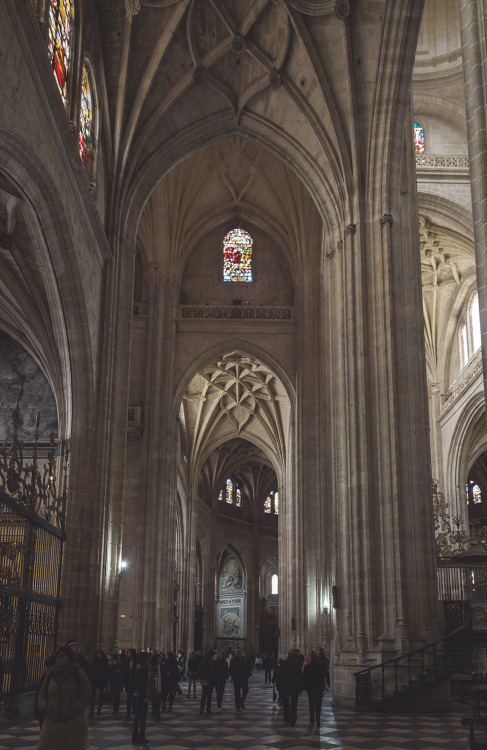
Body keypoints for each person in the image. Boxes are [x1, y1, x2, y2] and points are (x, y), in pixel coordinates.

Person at [36, 645, 91, 750]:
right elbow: (42, 693)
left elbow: (87, 693)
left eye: (62, 656)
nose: (58, 659)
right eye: (57, 656)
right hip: (51, 721)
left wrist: (73, 708)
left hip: (72, 721)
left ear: (69, 658)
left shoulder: (78, 673)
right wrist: (44, 707)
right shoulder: (51, 673)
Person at [276, 649, 302, 727]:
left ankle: (286, 718)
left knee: (285, 704)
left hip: (284, 687)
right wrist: (301, 688)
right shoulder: (297, 664)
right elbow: (300, 677)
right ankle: (293, 720)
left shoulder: (283, 663)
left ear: (288, 655)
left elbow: (279, 675)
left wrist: (278, 686)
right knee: (294, 705)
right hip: (295, 688)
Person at [132, 652, 152, 747]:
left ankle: (142, 736)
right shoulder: (139, 669)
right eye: (147, 659)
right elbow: (140, 684)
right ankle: (135, 738)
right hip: (140, 695)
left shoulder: (145, 668)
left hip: (144, 695)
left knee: (143, 717)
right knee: (138, 717)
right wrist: (144, 696)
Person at [301, 651, 326, 726]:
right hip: (319, 687)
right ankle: (318, 719)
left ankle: (312, 719)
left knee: (311, 703)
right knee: (318, 704)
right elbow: (324, 675)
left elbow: (304, 678)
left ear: (310, 659)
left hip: (310, 688)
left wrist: (302, 687)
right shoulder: (321, 666)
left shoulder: (307, 667)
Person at [88, 649, 109, 717]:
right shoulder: (94, 661)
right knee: (93, 696)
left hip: (101, 681)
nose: (99, 655)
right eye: (97, 654)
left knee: (101, 695)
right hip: (94, 680)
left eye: (100, 654)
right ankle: (92, 711)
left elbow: (106, 671)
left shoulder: (104, 662)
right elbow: (91, 670)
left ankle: (99, 710)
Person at [229, 646, 250, 711]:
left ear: (241, 652)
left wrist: (247, 675)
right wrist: (233, 678)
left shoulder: (244, 659)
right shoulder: (233, 660)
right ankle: (237, 707)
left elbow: (248, 667)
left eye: (239, 651)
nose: (238, 652)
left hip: (244, 678)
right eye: (237, 651)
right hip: (237, 679)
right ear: (235, 652)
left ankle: (241, 702)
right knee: (237, 693)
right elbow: (231, 670)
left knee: (246, 690)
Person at [198, 649, 215, 714]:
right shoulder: (204, 662)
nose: (214, 657)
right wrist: (202, 679)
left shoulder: (214, 662)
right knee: (204, 695)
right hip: (205, 680)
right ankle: (201, 708)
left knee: (210, 695)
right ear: (210, 656)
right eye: (213, 655)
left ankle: (208, 709)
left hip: (211, 681)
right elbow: (199, 671)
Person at [122, 647, 137, 718]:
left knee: (134, 697)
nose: (128, 653)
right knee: (128, 697)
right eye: (128, 652)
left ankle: (134, 709)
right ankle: (128, 712)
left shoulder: (136, 661)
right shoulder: (125, 662)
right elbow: (124, 672)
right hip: (128, 682)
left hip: (134, 681)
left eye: (130, 652)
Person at [213, 647, 229, 712]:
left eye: (221, 654)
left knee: (221, 693)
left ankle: (219, 704)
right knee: (218, 692)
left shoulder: (225, 662)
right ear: (218, 654)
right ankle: (218, 705)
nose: (220, 655)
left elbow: (226, 671)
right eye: (219, 654)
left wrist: (226, 677)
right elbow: (213, 670)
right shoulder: (215, 662)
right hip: (217, 680)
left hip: (223, 680)